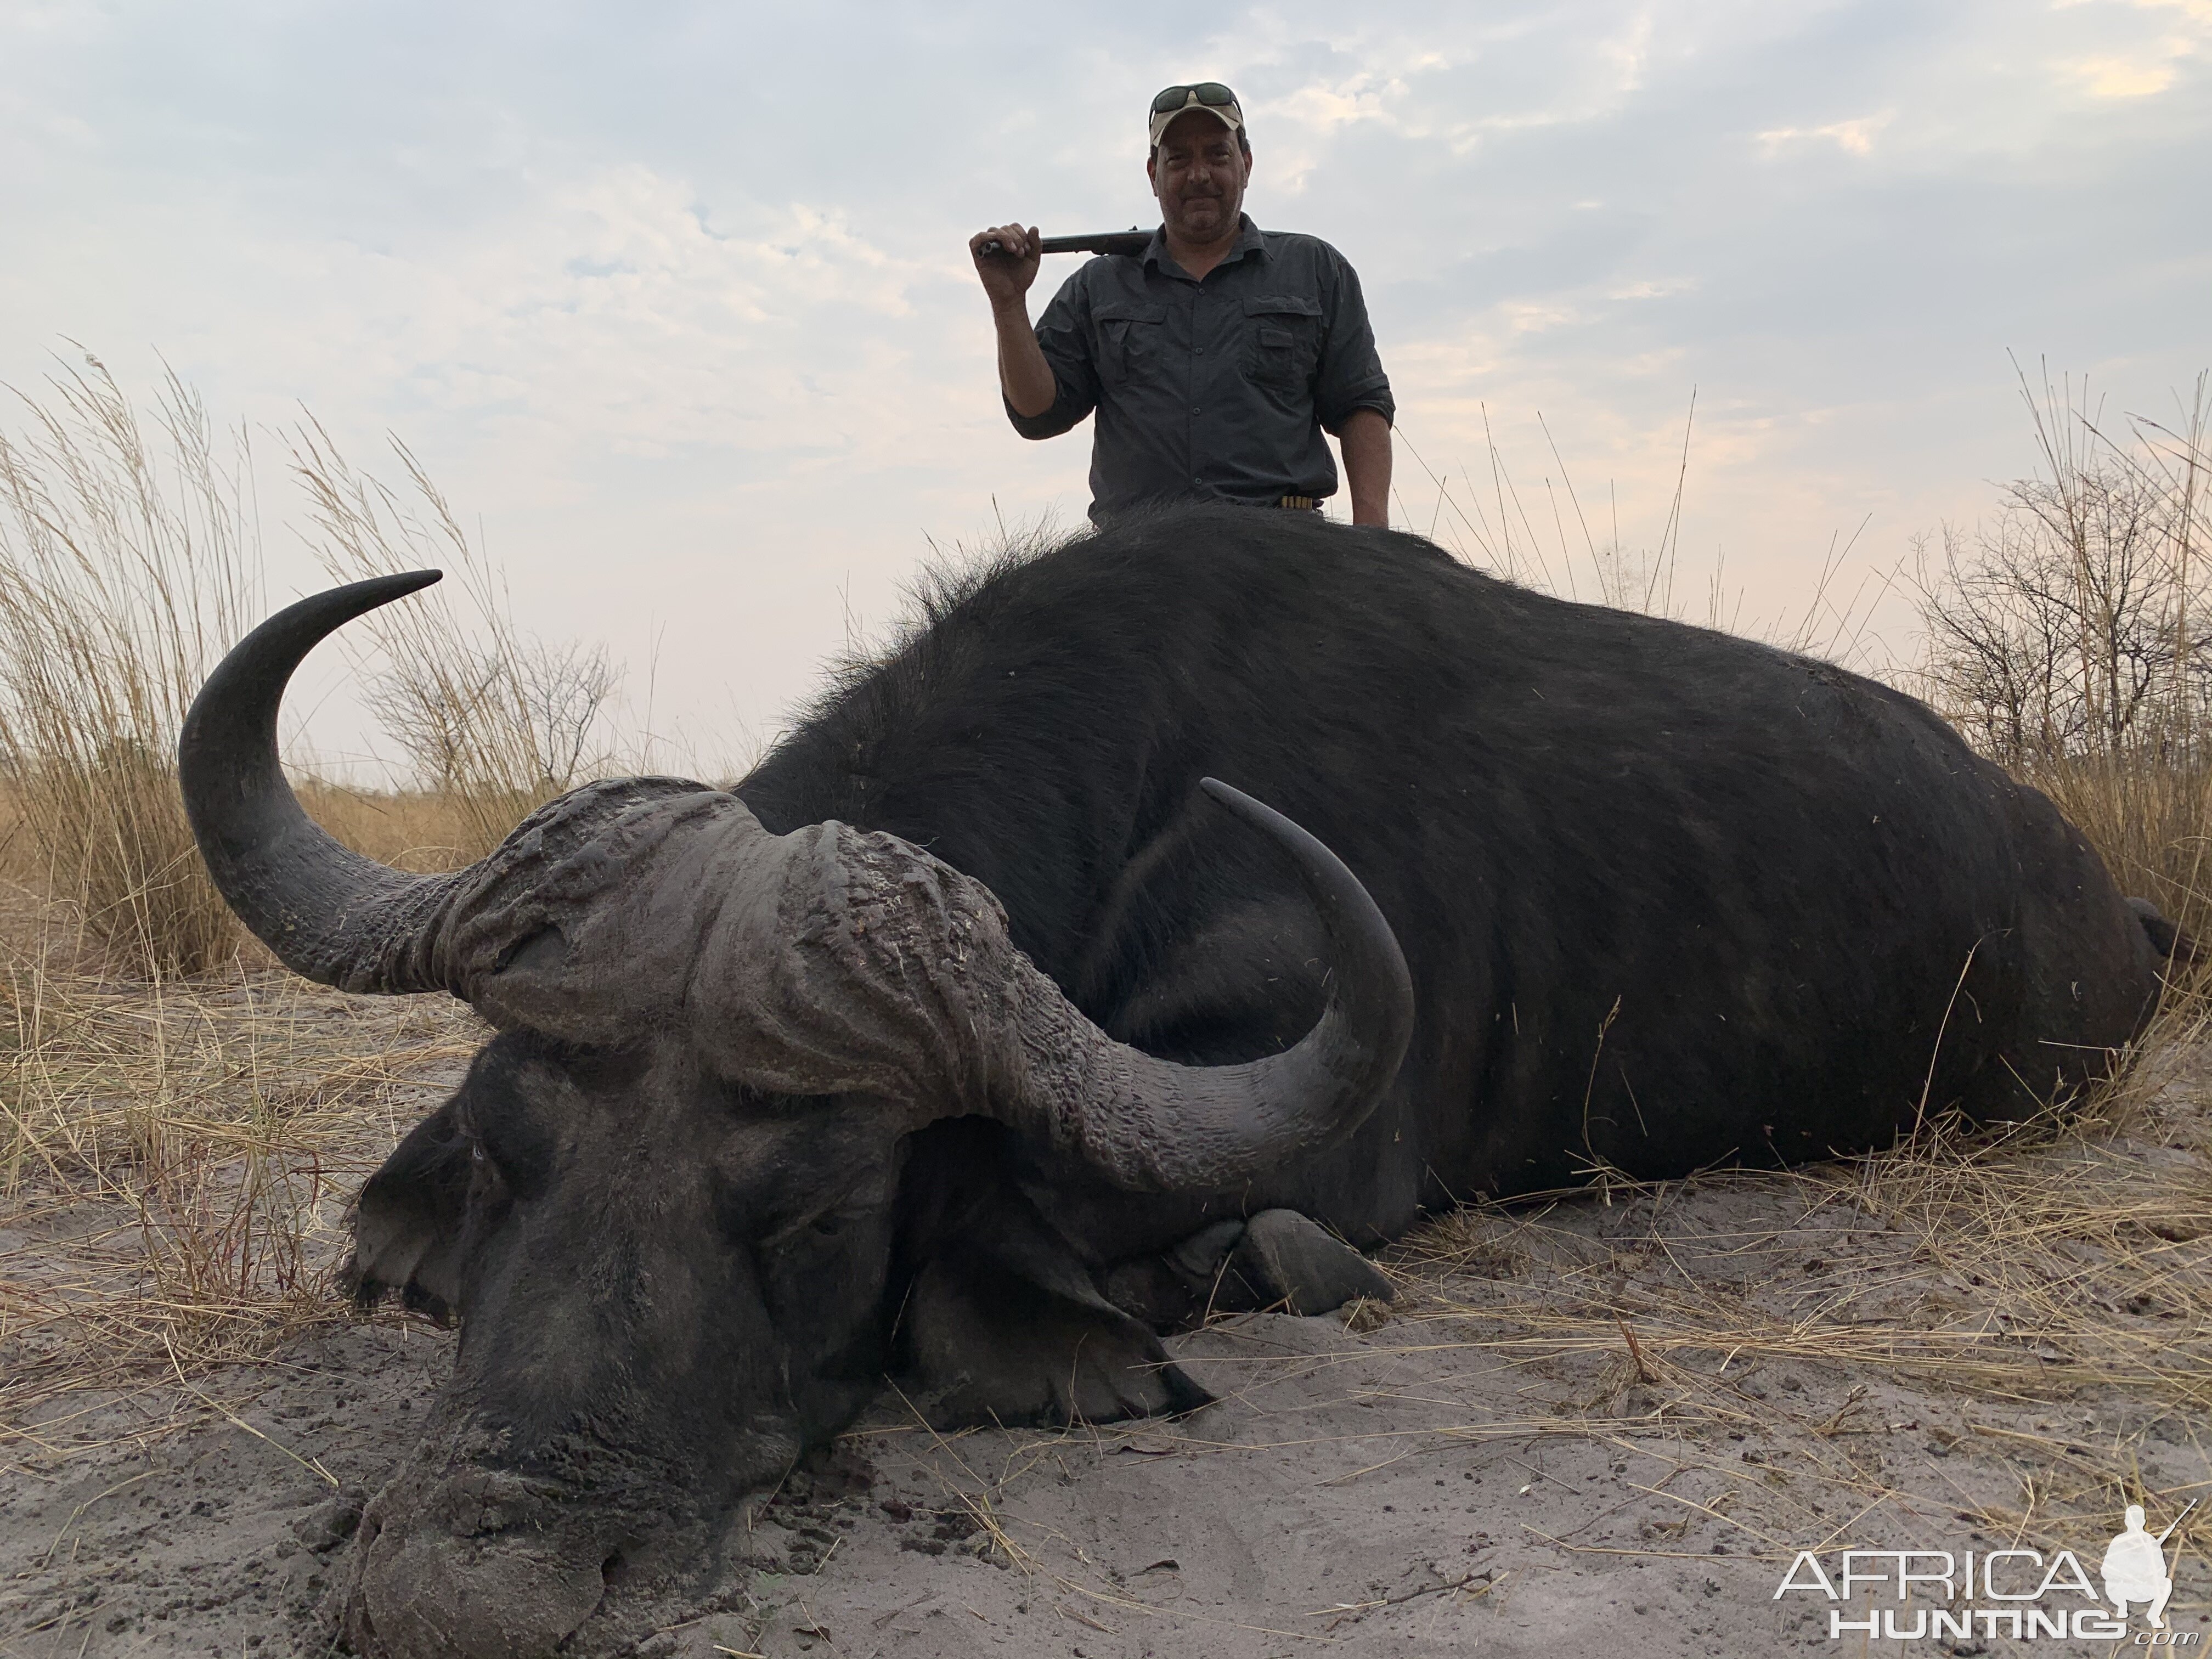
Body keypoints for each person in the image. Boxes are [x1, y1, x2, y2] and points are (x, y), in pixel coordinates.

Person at [970, 82, 1394, 526]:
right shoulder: (1096, 286)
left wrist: (1375, 540)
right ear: (1153, 175)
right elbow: (1037, 414)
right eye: (1178, 160)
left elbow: (1360, 403)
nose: (1199, 175)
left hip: (1285, 554)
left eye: (1217, 154)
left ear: (1246, 166)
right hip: (1140, 564)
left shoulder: (1315, 269)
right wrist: (1009, 304)